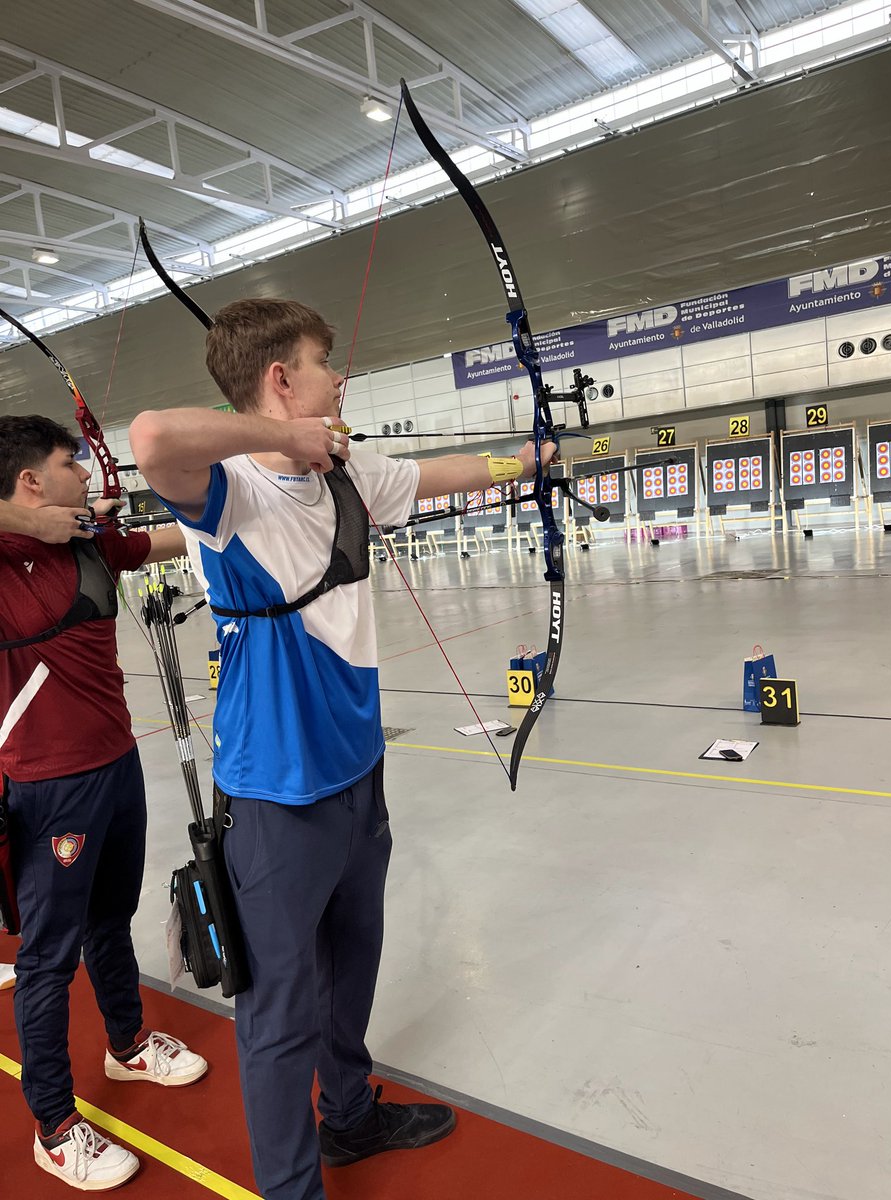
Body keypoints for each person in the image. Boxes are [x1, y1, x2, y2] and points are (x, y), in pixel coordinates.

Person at [129, 297, 556, 1200]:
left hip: (359, 775)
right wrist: (282, 440)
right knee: (280, 1013)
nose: (341, 378)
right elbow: (154, 434)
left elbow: (433, 477)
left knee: (354, 961)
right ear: (281, 380)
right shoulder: (231, 490)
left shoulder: (350, 471)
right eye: (326, 363)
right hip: (277, 794)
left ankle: (351, 1118)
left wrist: (521, 460)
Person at [0, 415, 209, 1192]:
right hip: (48, 784)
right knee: (49, 960)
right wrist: (21, 521)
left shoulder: (84, 543)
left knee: (108, 918)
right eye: (69, 464)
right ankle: (53, 1127)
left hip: (116, 764)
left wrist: (239, 501)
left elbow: (165, 543)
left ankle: (126, 1046)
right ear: (29, 481)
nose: (86, 476)